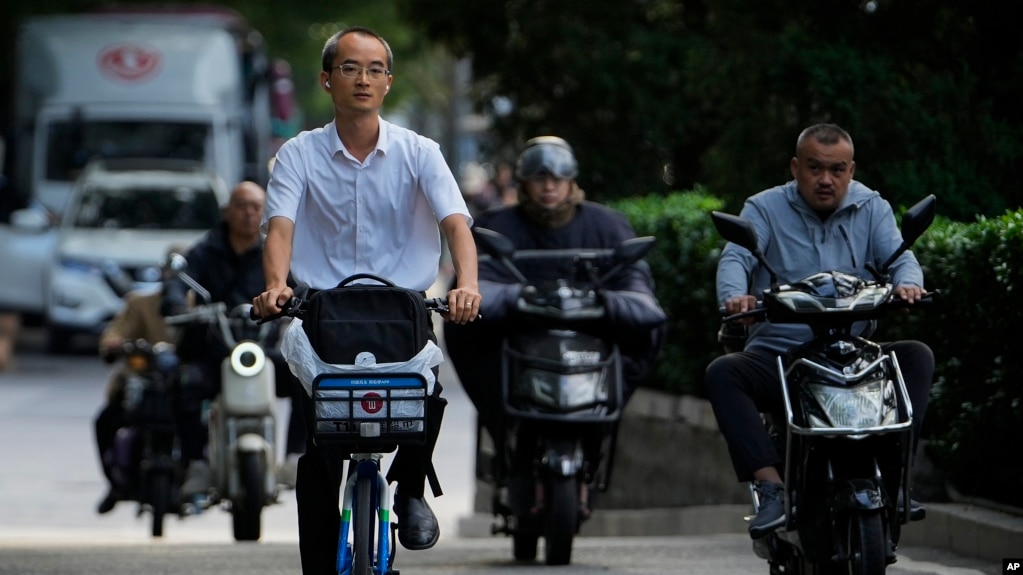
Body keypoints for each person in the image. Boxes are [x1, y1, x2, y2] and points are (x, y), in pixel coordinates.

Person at [250, 26, 480, 573]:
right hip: (321, 312)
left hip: (405, 313)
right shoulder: (298, 154)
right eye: (351, 68)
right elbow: (278, 228)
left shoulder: (420, 152)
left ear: (388, 82)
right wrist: (277, 286)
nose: (364, 78)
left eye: (376, 69)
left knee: (427, 389)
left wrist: (466, 285)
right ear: (327, 80)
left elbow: (456, 224)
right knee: (319, 449)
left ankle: (408, 489)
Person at [705, 123, 934, 539]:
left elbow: (901, 256)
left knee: (917, 356)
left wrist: (908, 284)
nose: (825, 180)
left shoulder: (872, 207)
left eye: (837, 170)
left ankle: (899, 480)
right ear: (796, 167)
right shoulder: (763, 207)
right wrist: (736, 298)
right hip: (781, 357)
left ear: (851, 170)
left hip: (853, 353)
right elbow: (736, 257)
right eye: (814, 168)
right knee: (723, 373)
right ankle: (770, 485)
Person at [443, 135, 668, 481]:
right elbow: (471, 285)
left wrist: (601, 302)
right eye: (539, 179)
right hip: (516, 343)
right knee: (463, 324)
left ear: (571, 181)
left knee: (649, 331)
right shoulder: (496, 227)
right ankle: (503, 428)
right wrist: (520, 298)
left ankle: (602, 421)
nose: (549, 187)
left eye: (557, 180)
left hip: (590, 345)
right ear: (524, 183)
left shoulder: (607, 226)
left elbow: (637, 290)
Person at [161, 180, 306, 495]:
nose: (249, 213)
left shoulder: (276, 252)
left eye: (256, 207)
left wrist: (303, 301)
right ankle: (195, 462)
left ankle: (295, 457)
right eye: (242, 206)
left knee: (305, 380)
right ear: (227, 211)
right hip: (215, 352)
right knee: (184, 383)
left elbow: (300, 282)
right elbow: (178, 279)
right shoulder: (205, 250)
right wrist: (174, 300)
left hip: (262, 350)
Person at [93, 272, 176, 514]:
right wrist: (114, 342)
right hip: (141, 384)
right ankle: (115, 482)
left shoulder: (202, 305)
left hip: (184, 385)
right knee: (104, 423)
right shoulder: (140, 304)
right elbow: (116, 331)